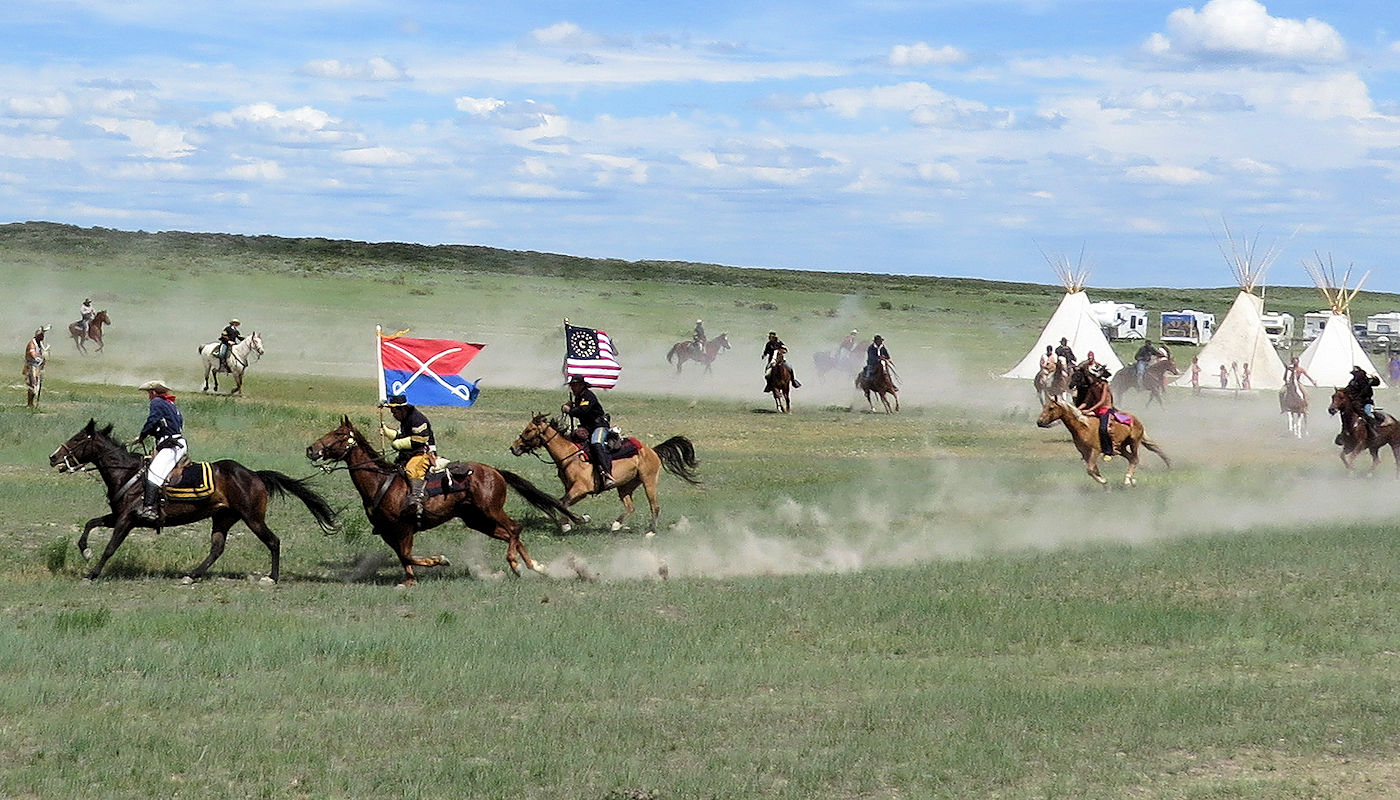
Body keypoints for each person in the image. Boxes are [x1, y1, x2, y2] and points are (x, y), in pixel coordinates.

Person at [132, 380, 187, 520]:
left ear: (153, 392)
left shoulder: (156, 402)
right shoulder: (170, 404)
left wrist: (142, 435)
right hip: (176, 442)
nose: (148, 397)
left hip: (170, 444)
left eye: (148, 394)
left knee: (154, 472)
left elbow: (153, 420)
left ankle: (149, 508)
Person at [380, 394, 437, 516]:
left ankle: (416, 500)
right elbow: (402, 436)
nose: (393, 415)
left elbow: (420, 439)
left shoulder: (417, 419)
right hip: (410, 453)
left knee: (412, 469)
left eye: (394, 412)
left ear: (402, 409)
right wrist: (387, 432)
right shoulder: (405, 419)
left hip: (423, 453)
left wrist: (398, 444)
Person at [562, 374, 615, 489]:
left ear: (581, 385)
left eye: (574, 385)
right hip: (587, 427)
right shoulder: (578, 397)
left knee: (596, 443)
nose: (572, 388)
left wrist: (570, 410)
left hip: (599, 426)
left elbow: (582, 411)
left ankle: (607, 474)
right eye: (571, 385)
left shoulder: (588, 396)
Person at [1075, 361, 1116, 458]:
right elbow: (1086, 402)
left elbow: (1102, 401)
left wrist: (1089, 410)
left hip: (1106, 410)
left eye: (1091, 375)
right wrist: (1076, 410)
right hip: (1097, 410)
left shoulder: (1104, 385)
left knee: (1103, 429)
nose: (1090, 377)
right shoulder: (1092, 387)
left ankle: (1109, 451)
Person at [1342, 365, 1382, 438]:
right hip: (1356, 402)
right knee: (1346, 415)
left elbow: (1376, 383)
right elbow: (1348, 389)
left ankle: (1374, 430)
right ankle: (1344, 432)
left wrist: (1375, 378)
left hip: (1366, 402)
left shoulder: (1367, 380)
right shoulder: (1352, 382)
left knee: (1368, 414)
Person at [22, 326, 49, 408]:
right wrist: (41, 357)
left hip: (36, 367)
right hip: (31, 366)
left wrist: (43, 360)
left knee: (35, 384)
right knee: (32, 385)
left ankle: (31, 403)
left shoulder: (39, 344)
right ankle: (30, 403)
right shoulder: (32, 344)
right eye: (41, 336)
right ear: (37, 336)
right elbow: (33, 355)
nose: (43, 337)